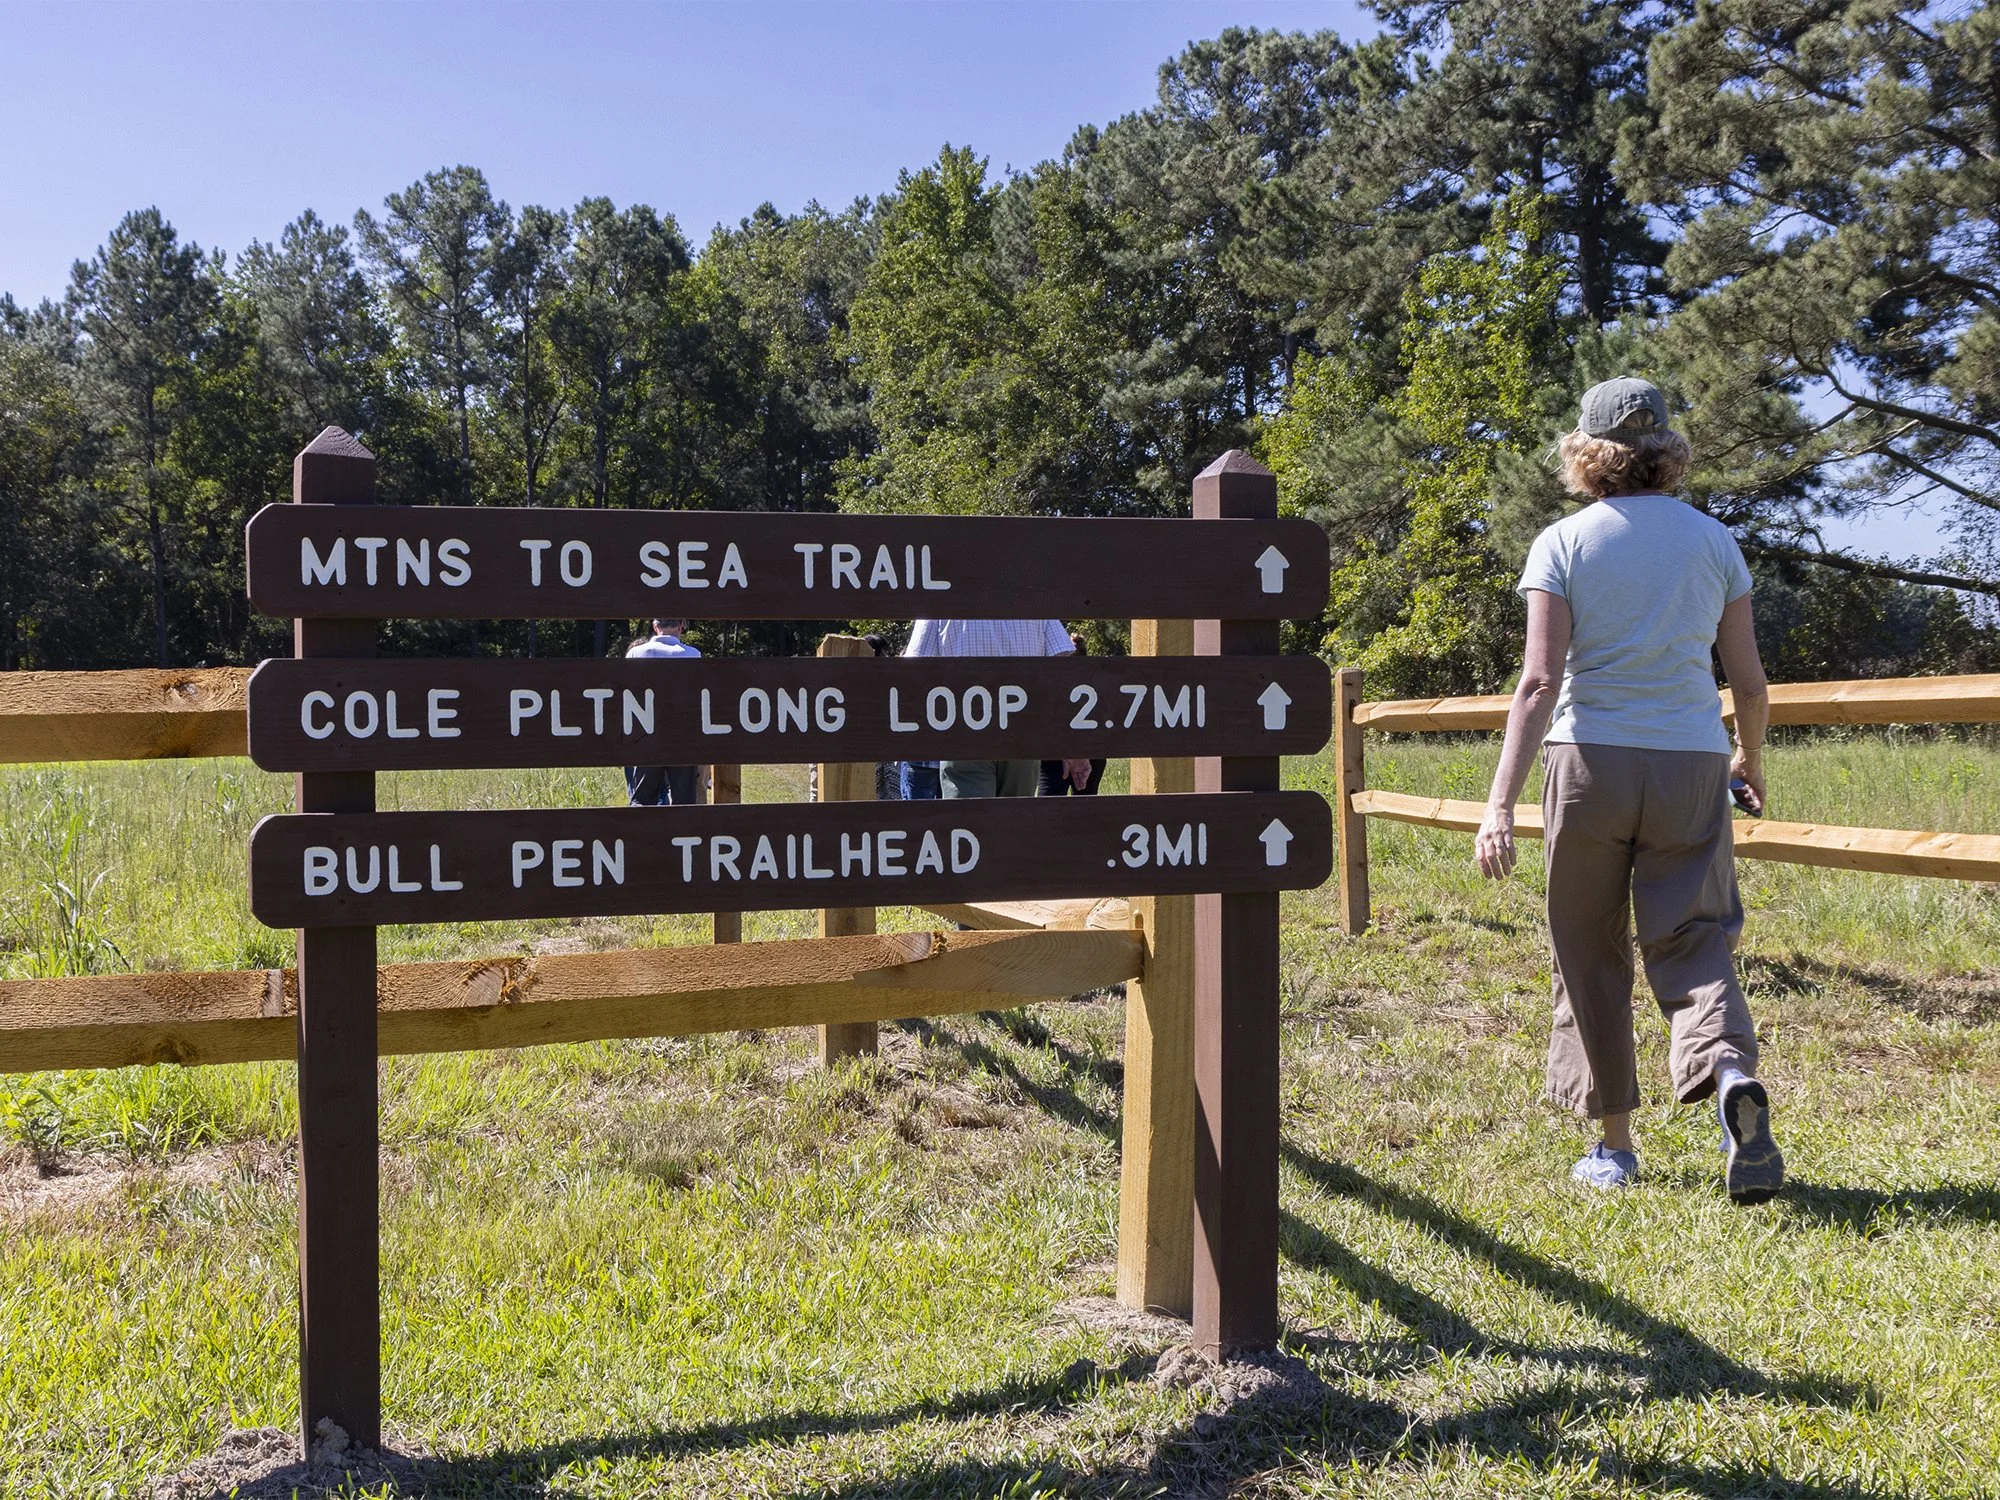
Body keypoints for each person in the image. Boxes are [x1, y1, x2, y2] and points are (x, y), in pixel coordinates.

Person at [1474, 377, 1783, 1204]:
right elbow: (1748, 681)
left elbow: (1539, 683)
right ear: (1665, 450)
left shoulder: (1564, 542)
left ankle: (1614, 1146)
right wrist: (1748, 760)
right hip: (1689, 761)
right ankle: (1725, 1075)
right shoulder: (1715, 542)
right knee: (1694, 933)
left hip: (1588, 763)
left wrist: (1499, 802)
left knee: (1589, 950)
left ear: (1588, 452)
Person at [903, 618, 1074, 797]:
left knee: (970, 821)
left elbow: (916, 668)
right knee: (1016, 818)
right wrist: (1071, 743)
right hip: (1023, 733)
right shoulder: (1034, 595)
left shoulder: (941, 595)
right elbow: (1061, 665)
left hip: (964, 731)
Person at [624, 617, 702, 807]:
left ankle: (641, 836)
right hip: (683, 736)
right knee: (684, 802)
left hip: (645, 735)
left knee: (643, 799)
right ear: (681, 626)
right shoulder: (693, 655)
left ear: (655, 626)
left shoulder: (635, 653)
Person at [1040, 631, 1104, 795]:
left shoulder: (1092, 684)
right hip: (1062, 756)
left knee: (1054, 807)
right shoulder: (1097, 681)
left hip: (1080, 755)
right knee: (1083, 806)